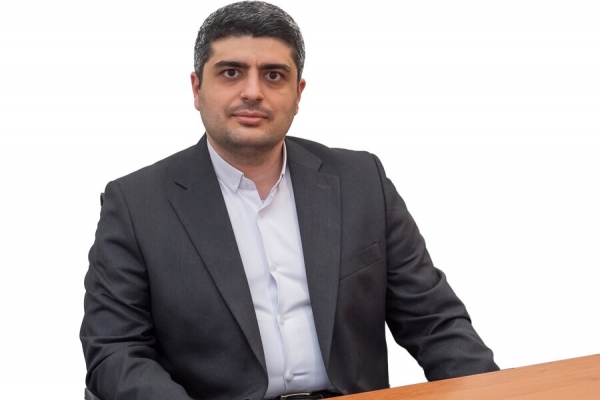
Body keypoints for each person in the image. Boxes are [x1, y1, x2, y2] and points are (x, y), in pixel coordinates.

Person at [80, 2, 499, 399]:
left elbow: (435, 322)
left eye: (273, 75)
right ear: (197, 88)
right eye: (231, 72)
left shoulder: (361, 182)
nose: (252, 92)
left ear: (298, 93)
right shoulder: (136, 205)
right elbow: (116, 352)